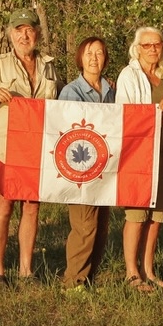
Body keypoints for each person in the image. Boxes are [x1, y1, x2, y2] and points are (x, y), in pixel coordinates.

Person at [0, 9, 63, 284]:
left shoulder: (49, 66)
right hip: (6, 147)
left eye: (29, 30)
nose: (24, 35)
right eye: (18, 30)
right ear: (10, 34)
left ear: (37, 33)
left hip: (39, 147)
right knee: (3, 208)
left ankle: (27, 270)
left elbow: (59, 104)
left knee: (31, 208)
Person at [114, 27, 163, 292]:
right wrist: (157, 118)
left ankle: (149, 270)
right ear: (137, 48)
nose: (152, 49)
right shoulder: (129, 75)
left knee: (157, 214)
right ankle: (131, 273)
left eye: (157, 44)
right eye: (147, 45)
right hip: (138, 152)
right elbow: (124, 113)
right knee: (137, 213)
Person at [58, 37, 115, 288]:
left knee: (101, 227)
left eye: (99, 53)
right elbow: (65, 130)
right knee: (85, 225)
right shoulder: (71, 91)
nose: (94, 58)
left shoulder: (111, 90)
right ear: (80, 58)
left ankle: (89, 278)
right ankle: (73, 281)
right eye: (89, 53)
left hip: (106, 167)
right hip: (80, 168)